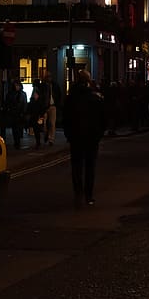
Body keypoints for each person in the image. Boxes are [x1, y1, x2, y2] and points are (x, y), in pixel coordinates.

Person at [61, 69, 106, 207]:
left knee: (76, 167)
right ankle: (88, 195)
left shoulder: (70, 98)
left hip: (76, 137)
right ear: (88, 82)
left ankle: (78, 193)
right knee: (90, 167)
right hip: (91, 138)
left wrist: (68, 134)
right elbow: (103, 120)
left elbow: (65, 119)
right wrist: (98, 135)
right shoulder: (96, 98)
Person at [1, 79, 27, 150]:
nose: (16, 87)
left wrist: (23, 112)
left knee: (17, 129)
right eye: (15, 85)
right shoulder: (12, 94)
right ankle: (16, 143)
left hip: (18, 114)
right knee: (15, 129)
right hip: (13, 114)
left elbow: (24, 104)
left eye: (17, 85)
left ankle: (17, 143)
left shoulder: (21, 94)